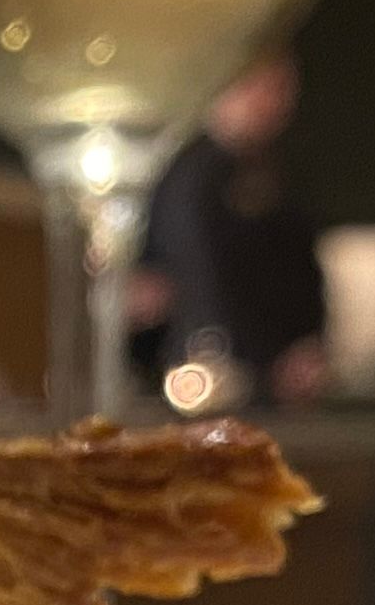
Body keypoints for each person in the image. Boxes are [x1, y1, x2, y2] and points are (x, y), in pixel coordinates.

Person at [133, 50, 332, 411]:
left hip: (277, 382)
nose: (274, 102)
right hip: (212, 379)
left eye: (282, 88)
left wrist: (308, 345)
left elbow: (303, 272)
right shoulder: (190, 174)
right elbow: (197, 279)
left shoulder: (280, 171)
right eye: (261, 87)